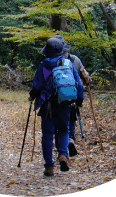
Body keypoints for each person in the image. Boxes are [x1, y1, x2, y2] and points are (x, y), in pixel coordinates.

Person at [29, 37, 84, 177]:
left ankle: (49, 166)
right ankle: (63, 155)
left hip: (48, 104)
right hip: (65, 103)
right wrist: (79, 101)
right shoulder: (68, 63)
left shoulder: (44, 65)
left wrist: (32, 96)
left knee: (47, 134)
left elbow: (37, 85)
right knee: (64, 130)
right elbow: (78, 84)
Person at [50, 35, 92, 157]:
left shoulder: (52, 61)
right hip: (73, 95)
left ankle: (61, 149)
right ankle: (71, 139)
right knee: (72, 118)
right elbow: (86, 78)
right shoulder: (75, 60)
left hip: (56, 97)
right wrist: (87, 84)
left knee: (59, 121)